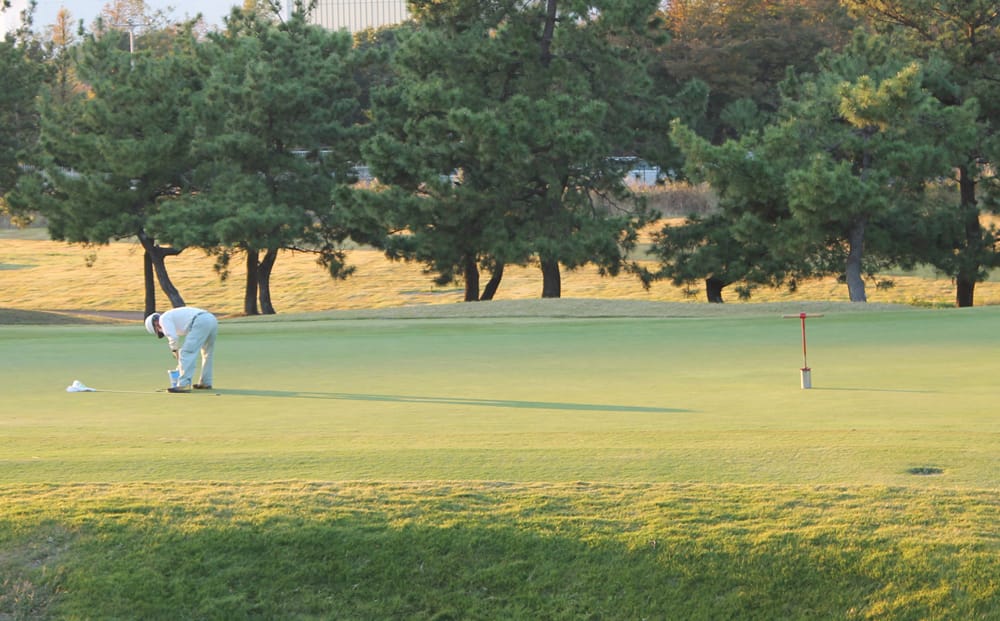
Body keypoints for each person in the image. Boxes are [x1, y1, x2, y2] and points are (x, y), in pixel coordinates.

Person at [144, 307, 218, 393]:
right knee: (207, 353)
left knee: (186, 353)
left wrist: (174, 350)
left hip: (199, 321)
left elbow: (173, 337)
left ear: (155, 324)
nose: (161, 331)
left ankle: (184, 384)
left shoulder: (163, 319)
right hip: (211, 319)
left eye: (158, 330)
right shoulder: (169, 316)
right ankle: (206, 382)